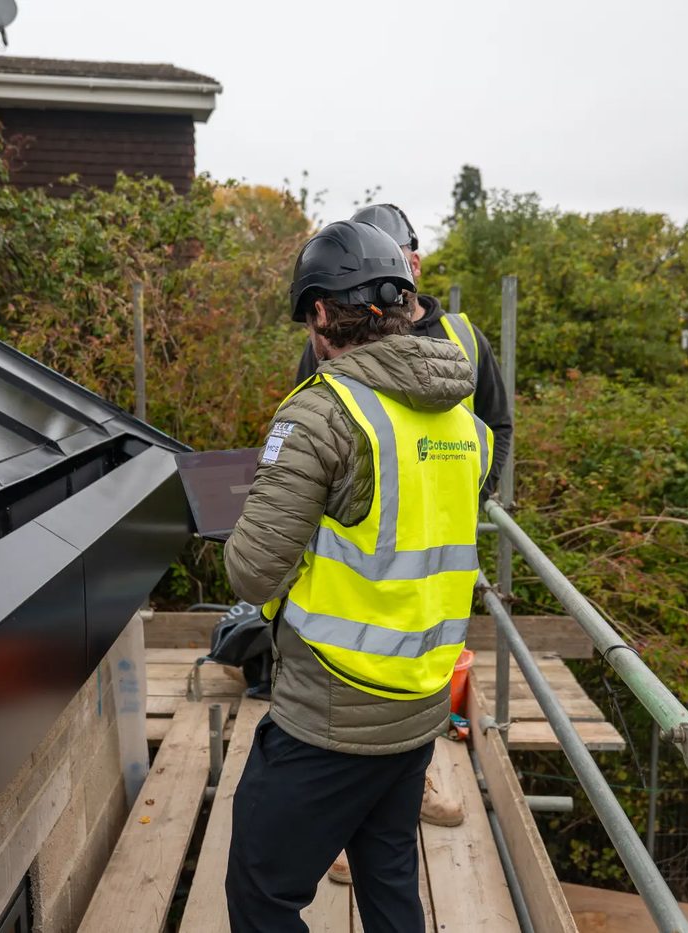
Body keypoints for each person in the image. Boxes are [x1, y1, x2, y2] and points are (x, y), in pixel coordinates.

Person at [223, 220, 491, 933]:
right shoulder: (461, 417)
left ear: (318, 313)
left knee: (261, 892)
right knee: (390, 882)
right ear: (405, 302)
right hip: (421, 700)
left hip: (332, 715)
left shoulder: (322, 413)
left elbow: (252, 572)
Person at [294, 203, 513, 502]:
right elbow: (306, 432)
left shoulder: (464, 336)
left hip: (449, 523)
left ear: (415, 263)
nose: (385, 273)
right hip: (368, 524)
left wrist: (474, 495)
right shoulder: (331, 340)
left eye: (395, 259)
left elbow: (496, 424)